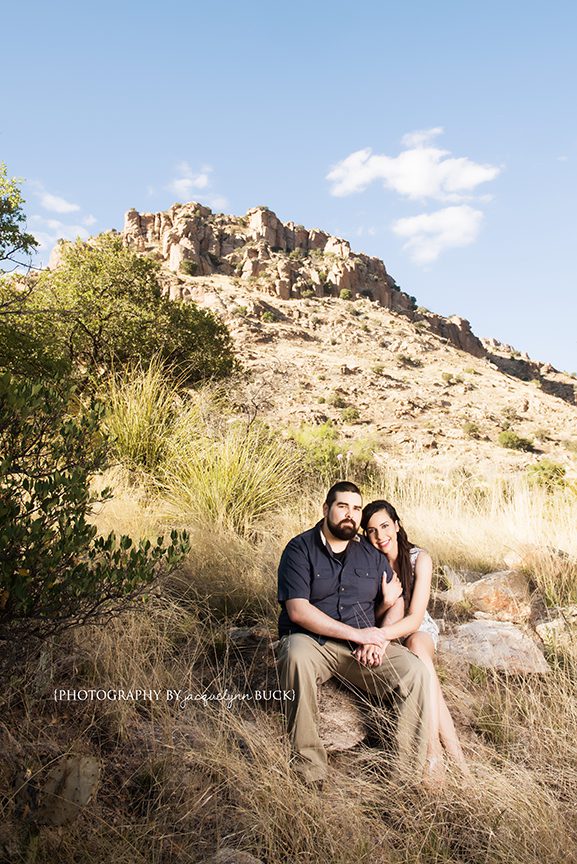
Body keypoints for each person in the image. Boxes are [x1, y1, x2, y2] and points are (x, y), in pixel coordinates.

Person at [276, 481, 431, 786]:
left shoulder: (370, 556)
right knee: (294, 655)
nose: (350, 514)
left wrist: (381, 637)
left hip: (361, 650)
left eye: (356, 508)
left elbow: (397, 600)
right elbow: (297, 611)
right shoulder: (299, 549)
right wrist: (361, 635)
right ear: (326, 509)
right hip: (313, 643)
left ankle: (404, 781)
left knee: (414, 671)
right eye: (342, 506)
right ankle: (310, 774)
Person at [360, 500, 468, 780]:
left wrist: (380, 637)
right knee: (427, 678)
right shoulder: (369, 562)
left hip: (416, 628)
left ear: (396, 525)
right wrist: (385, 602)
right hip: (388, 627)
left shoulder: (420, 558)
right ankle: (458, 763)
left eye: (385, 526)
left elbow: (416, 616)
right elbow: (369, 614)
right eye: (371, 531)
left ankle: (433, 752)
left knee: (418, 646)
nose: (380, 536)